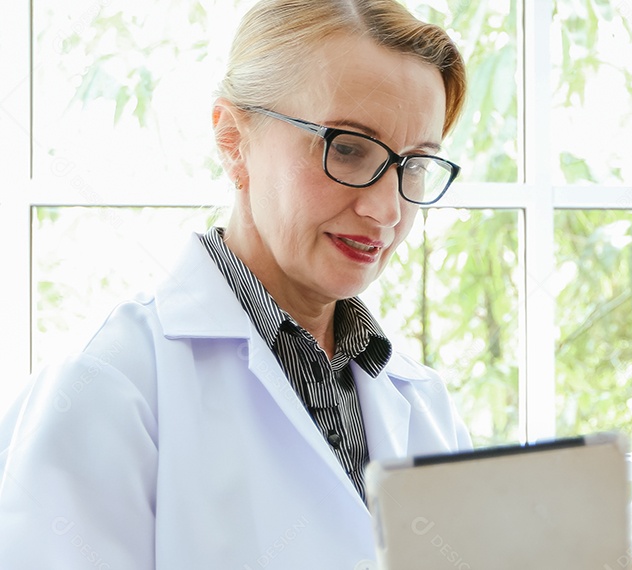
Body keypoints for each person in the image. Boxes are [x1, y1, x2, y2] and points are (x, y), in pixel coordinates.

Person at [0, 0, 470, 567]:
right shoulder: (109, 387)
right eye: (347, 148)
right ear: (233, 141)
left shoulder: (423, 404)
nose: (385, 209)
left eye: (414, 164)